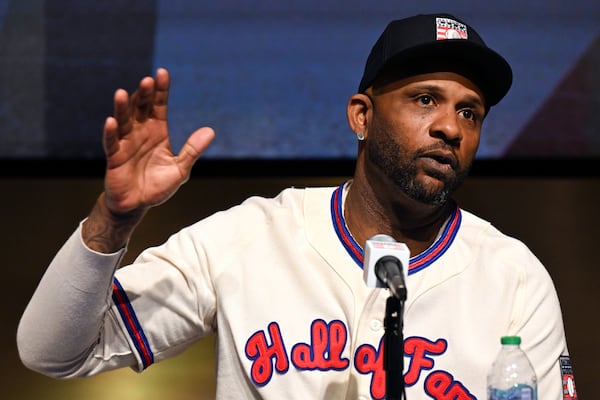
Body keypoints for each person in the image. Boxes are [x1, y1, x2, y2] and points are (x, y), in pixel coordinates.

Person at [17, 13, 575, 399]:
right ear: (361, 116)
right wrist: (113, 221)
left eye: (470, 112)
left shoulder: (514, 279)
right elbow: (54, 351)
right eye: (425, 99)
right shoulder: (251, 237)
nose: (450, 127)